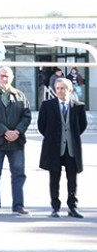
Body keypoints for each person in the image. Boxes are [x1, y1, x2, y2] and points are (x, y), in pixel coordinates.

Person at [0, 66, 32, 216]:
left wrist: (17, 132)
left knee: (18, 174)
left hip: (16, 142)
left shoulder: (20, 96)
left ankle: (18, 206)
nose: (4, 79)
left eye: (7, 76)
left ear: (12, 78)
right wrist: (5, 132)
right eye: (1, 76)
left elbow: (26, 115)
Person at [38, 77, 87, 218]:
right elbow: (42, 126)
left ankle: (73, 207)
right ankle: (55, 207)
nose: (60, 91)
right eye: (58, 88)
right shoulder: (47, 105)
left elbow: (81, 126)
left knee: (72, 179)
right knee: (54, 179)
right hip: (54, 148)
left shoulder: (78, 106)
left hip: (71, 149)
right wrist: (53, 137)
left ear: (70, 90)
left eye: (63, 88)